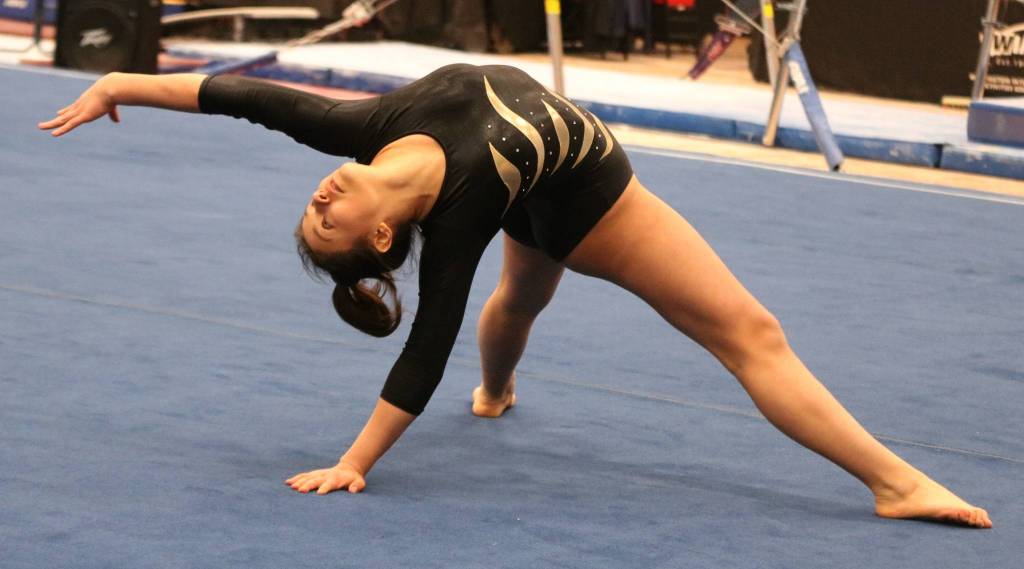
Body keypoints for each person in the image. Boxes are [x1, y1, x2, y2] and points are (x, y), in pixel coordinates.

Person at [39, 64, 991, 528]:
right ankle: (893, 483)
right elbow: (425, 347)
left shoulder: (360, 127)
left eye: (314, 201)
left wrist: (118, 80)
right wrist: (355, 460)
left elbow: (238, 95)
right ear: (379, 241)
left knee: (525, 300)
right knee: (749, 330)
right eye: (324, 226)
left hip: (543, 191)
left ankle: (498, 395)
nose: (320, 199)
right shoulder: (451, 224)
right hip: (588, 201)